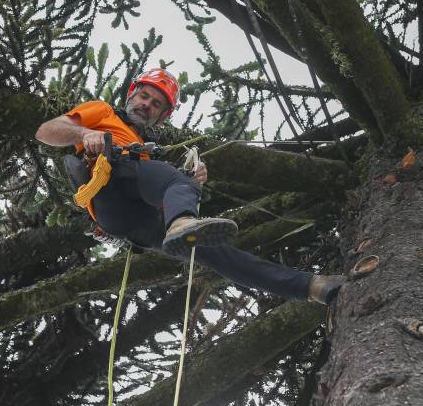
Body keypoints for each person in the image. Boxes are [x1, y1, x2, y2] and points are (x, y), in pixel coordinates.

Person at [35, 68, 344, 304]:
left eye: (156, 104)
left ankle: (312, 287)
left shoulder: (144, 148)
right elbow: (47, 131)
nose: (147, 105)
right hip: (107, 187)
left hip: (134, 220)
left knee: (214, 251)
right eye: (144, 96)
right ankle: (181, 222)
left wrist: (186, 183)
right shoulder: (103, 113)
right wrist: (84, 134)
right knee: (172, 182)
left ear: (162, 116)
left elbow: (158, 182)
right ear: (131, 95)